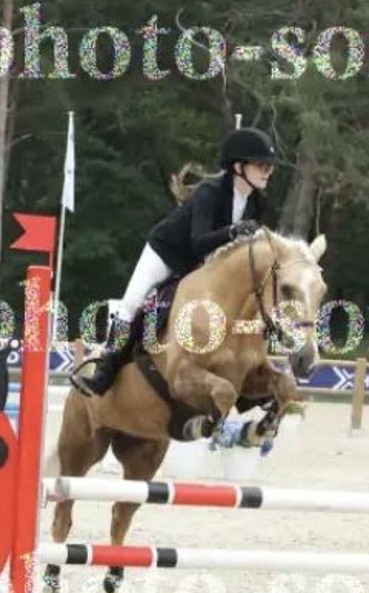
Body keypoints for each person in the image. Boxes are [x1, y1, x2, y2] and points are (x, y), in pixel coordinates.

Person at [70, 126, 278, 397]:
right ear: (238, 166)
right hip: (167, 251)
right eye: (262, 165)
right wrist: (232, 232)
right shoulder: (209, 192)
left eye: (270, 167)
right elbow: (198, 241)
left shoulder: (256, 203)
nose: (267, 172)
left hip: (204, 264)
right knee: (132, 304)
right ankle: (104, 371)